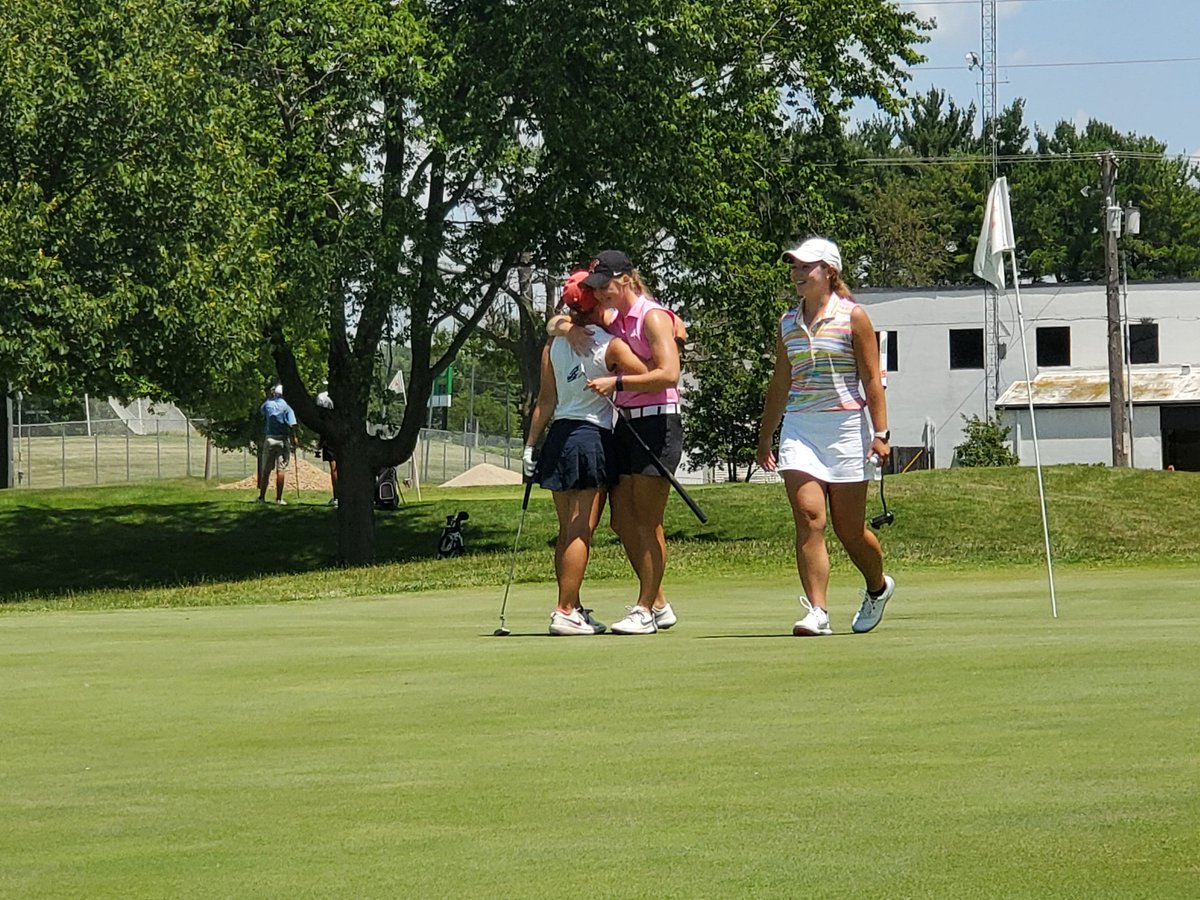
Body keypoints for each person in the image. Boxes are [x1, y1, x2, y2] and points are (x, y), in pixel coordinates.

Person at [756, 237, 896, 636]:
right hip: (801, 427)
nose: (798, 274)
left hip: (848, 429)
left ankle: (877, 587)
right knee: (809, 519)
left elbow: (872, 378)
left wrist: (881, 433)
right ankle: (818, 611)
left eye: (806, 267)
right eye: (795, 267)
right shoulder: (787, 322)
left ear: (829, 272)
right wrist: (766, 435)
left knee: (849, 530)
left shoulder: (854, 317)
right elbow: (782, 381)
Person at [552, 250, 683, 635]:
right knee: (622, 522)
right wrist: (566, 328)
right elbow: (559, 320)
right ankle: (657, 604)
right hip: (624, 424)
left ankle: (645, 608)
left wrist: (618, 383)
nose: (601, 294)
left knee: (647, 522)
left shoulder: (653, 317)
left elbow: (668, 374)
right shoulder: (612, 317)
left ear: (626, 279)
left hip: (658, 422)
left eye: (606, 286)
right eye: (596, 288)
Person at [525, 270, 649, 636]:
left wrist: (530, 446)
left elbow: (545, 403)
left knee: (566, 531)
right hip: (590, 437)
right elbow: (645, 373)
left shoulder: (554, 345)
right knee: (582, 530)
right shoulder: (611, 345)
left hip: (559, 436)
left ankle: (573, 606)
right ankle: (564, 609)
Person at [256, 384, 297, 505]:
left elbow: (262, 411)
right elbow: (292, 424)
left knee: (266, 470)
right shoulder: (287, 406)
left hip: (270, 439)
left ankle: (262, 497)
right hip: (282, 440)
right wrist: (294, 438)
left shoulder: (268, 404)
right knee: (281, 469)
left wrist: (269, 397)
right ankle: (279, 499)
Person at [316, 389, 338, 507]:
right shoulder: (342, 396)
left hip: (330, 436)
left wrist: (321, 441)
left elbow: (322, 420)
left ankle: (337, 497)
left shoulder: (321, 397)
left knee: (334, 466)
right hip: (343, 433)